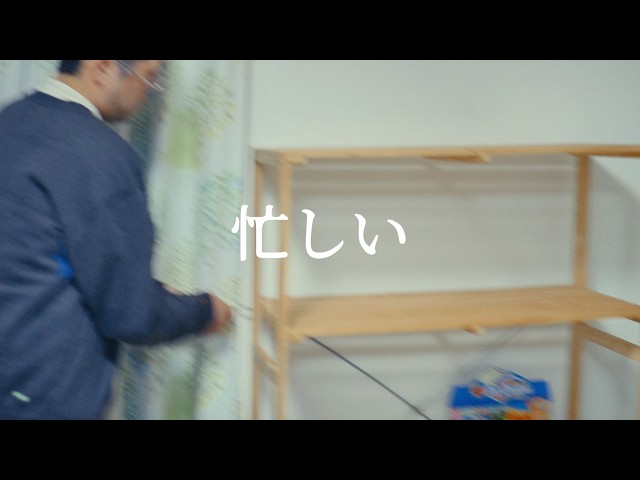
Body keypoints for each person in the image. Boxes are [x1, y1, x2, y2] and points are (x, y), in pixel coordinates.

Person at [0, 60, 233, 420]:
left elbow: (45, 255)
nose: (150, 92)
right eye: (149, 77)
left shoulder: (10, 121)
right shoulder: (99, 154)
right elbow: (132, 314)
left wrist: (145, 290)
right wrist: (205, 311)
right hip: (45, 398)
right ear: (103, 68)